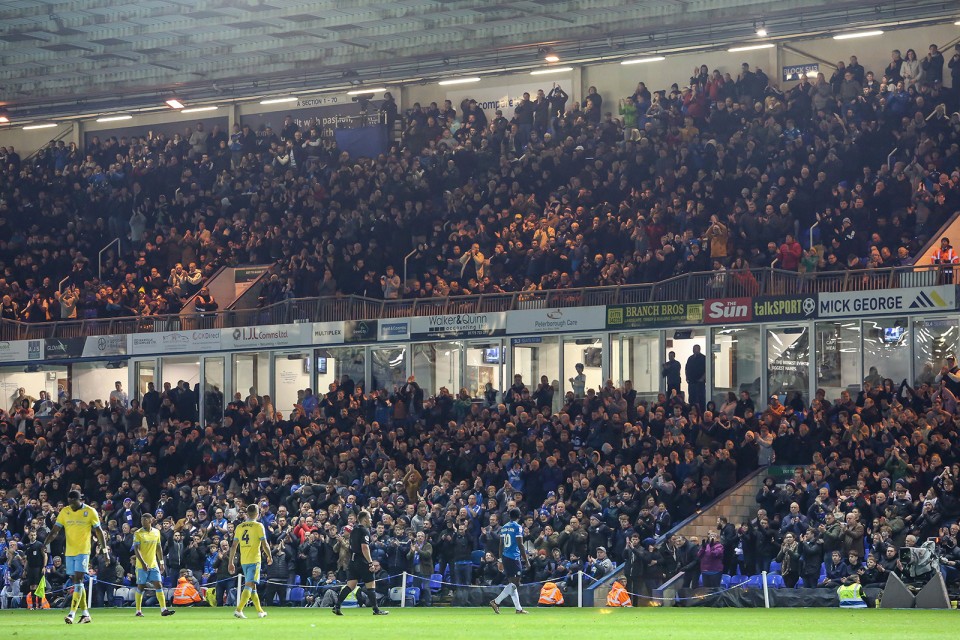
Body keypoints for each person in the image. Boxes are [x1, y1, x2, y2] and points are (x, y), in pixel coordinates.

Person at [44, 490, 110, 624]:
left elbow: (99, 532)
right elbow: (55, 531)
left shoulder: (90, 512)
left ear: (81, 500)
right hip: (69, 551)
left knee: (78, 580)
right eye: (69, 503)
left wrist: (105, 551)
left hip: (83, 551)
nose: (71, 505)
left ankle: (72, 614)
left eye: (74, 503)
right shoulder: (65, 512)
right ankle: (85, 614)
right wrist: (45, 543)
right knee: (76, 581)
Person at [332, 510, 388, 616]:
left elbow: (351, 546)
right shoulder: (364, 531)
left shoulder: (354, 530)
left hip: (353, 561)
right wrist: (370, 563)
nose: (371, 520)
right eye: (370, 518)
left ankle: (337, 606)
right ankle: (376, 610)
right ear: (365, 519)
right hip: (362, 561)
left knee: (350, 586)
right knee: (371, 585)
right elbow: (364, 547)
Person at [228, 504, 273, 619]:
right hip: (254, 560)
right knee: (249, 585)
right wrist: (269, 556)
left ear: (247, 514)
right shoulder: (259, 526)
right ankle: (239, 610)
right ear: (257, 514)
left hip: (244, 560)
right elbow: (265, 544)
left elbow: (233, 546)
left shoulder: (239, 527)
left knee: (253, 587)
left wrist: (231, 562)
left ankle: (260, 611)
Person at [133, 513, 175, 617]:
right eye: (142, 520)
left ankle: (163, 609)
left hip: (153, 564)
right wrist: (143, 563)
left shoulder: (156, 532)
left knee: (159, 584)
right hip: (141, 565)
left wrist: (161, 562)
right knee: (141, 586)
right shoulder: (138, 533)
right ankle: (138, 610)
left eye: (145, 520)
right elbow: (136, 550)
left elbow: (159, 547)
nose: (142, 522)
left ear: (150, 520)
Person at [489, 507, 528, 614]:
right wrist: (526, 560)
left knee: (513, 583)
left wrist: (500, 559)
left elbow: (501, 544)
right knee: (516, 583)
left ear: (509, 516)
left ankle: (518, 609)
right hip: (514, 557)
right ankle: (496, 601)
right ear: (519, 516)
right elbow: (520, 544)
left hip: (505, 556)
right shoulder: (518, 527)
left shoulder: (504, 527)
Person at [685, 345, 707, 410]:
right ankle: (691, 412)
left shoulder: (703, 358)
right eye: (693, 349)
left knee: (700, 398)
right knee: (692, 398)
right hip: (691, 382)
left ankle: (701, 413)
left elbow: (707, 369)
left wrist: (702, 378)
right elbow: (686, 368)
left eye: (696, 349)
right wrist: (687, 377)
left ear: (699, 349)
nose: (694, 350)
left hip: (700, 382)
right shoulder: (690, 358)